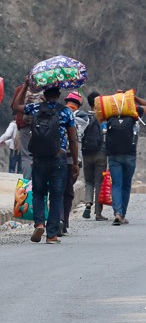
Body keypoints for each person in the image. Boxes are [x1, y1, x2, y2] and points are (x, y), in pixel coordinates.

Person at [12, 81, 78, 244]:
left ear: (44, 95)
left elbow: (16, 106)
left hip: (39, 158)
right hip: (58, 158)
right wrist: (75, 162)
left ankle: (39, 223)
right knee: (56, 196)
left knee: (39, 193)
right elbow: (73, 139)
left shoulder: (35, 109)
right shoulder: (66, 112)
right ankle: (51, 235)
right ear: (58, 95)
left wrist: (26, 86)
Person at [104, 93, 146, 225]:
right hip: (129, 155)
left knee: (116, 184)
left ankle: (117, 212)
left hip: (114, 155)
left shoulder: (110, 115)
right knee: (126, 185)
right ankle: (122, 214)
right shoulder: (134, 114)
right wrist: (135, 98)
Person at [60, 93, 91, 234]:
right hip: (68, 159)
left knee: (66, 191)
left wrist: (67, 112)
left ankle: (62, 221)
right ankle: (61, 221)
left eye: (72, 103)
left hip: (71, 159)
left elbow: (77, 126)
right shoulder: (61, 113)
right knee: (65, 191)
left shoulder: (82, 117)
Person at [81, 92, 108, 221]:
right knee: (99, 182)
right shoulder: (103, 117)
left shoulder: (84, 116)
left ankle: (87, 204)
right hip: (101, 153)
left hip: (86, 153)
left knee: (88, 181)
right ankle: (98, 213)